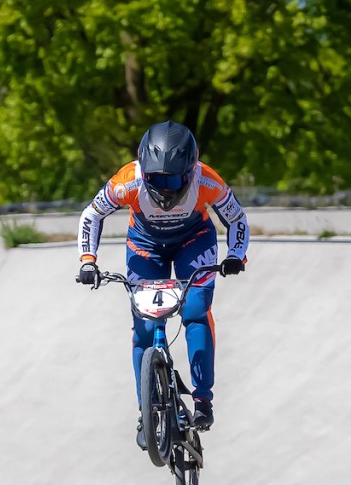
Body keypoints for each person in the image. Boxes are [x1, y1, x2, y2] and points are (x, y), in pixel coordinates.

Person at [76, 120, 248, 447]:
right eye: (157, 179)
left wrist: (236, 254)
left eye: (174, 179)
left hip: (193, 241)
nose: (166, 188)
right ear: (143, 169)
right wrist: (88, 260)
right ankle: (147, 411)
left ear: (192, 170)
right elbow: (91, 215)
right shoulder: (127, 181)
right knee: (144, 326)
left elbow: (236, 218)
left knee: (196, 311)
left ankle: (202, 400)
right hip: (145, 245)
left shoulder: (208, 181)